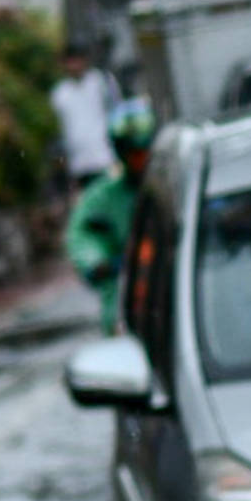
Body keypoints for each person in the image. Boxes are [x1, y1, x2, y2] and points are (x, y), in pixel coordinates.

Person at [65, 100, 154, 334]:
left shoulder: (176, 181)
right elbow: (82, 236)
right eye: (132, 153)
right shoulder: (103, 197)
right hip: (127, 305)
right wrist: (98, 263)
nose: (139, 160)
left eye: (143, 151)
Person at [50, 45, 120, 194]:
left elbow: (116, 109)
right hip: (80, 165)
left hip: (106, 157)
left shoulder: (100, 82)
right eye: (70, 61)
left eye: (77, 60)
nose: (74, 65)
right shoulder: (59, 94)